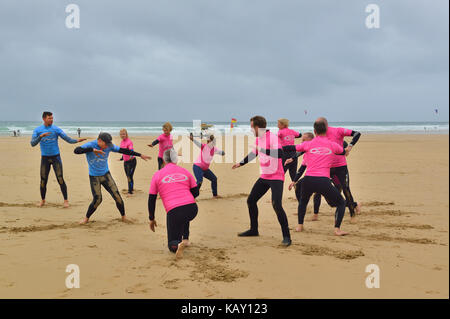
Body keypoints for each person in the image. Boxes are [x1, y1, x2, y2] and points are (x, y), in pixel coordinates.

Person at [232, 116, 291, 246]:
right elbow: (254, 153)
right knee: (251, 200)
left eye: (252, 127)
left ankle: (287, 236)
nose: (251, 129)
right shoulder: (259, 139)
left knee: (276, 204)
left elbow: (280, 153)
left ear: (257, 127)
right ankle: (254, 230)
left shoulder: (273, 137)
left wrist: (263, 150)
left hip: (276, 176)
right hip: (264, 176)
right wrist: (240, 163)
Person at [283, 120, 348, 236]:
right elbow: (343, 151)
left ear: (314, 131)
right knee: (341, 203)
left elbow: (292, 148)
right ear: (326, 131)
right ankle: (337, 229)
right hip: (323, 181)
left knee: (303, 201)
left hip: (308, 179)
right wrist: (346, 150)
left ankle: (300, 226)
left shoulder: (308, 144)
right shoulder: (333, 145)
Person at [74, 132, 150, 224]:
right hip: (94, 177)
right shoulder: (90, 145)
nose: (107, 147)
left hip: (106, 175)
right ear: (100, 141)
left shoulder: (109, 146)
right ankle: (86, 219)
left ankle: (123, 217)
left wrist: (139, 155)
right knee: (97, 200)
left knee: (117, 196)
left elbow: (124, 150)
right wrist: (92, 150)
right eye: (106, 144)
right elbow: (76, 150)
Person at [148, 148, 199, 259]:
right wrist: (187, 199)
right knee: (184, 216)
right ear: (176, 159)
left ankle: (177, 245)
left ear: (164, 160)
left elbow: (151, 199)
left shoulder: (157, 175)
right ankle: (185, 239)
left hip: (174, 210)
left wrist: (151, 218)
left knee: (172, 243)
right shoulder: (185, 171)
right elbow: (196, 191)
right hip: (192, 208)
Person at [30, 111, 86, 208]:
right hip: (45, 158)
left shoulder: (56, 129)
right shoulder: (38, 130)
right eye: (49, 118)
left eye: (52, 118)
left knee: (60, 179)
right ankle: (42, 200)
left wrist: (76, 141)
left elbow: (67, 139)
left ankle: (66, 200)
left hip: (56, 157)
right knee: (43, 180)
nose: (51, 120)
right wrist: (40, 137)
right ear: (44, 119)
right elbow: (32, 144)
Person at [316, 117, 362, 222]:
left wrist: (349, 147)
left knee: (346, 189)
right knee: (330, 192)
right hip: (327, 167)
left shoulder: (338, 130)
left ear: (326, 124)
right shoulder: (319, 135)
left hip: (341, 166)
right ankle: (355, 204)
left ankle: (352, 214)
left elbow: (357, 133)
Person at [190, 133, 225, 198]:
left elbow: (221, 153)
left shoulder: (214, 149)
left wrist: (222, 153)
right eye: (207, 141)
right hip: (197, 167)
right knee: (200, 181)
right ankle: (192, 197)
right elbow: (198, 144)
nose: (208, 142)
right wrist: (193, 139)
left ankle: (215, 195)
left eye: (209, 141)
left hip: (205, 169)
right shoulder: (204, 146)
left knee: (214, 179)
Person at [119, 129, 137, 195]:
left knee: (129, 176)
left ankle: (130, 192)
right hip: (126, 162)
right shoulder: (121, 142)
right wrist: (122, 158)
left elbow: (131, 149)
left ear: (126, 134)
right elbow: (123, 151)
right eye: (121, 134)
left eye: (123, 134)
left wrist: (131, 156)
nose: (122, 135)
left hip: (132, 162)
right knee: (127, 176)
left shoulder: (129, 142)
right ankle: (131, 189)